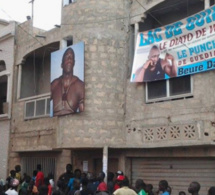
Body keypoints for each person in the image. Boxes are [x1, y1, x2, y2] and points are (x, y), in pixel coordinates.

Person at [51, 47, 84, 116]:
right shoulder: (54, 84)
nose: (69, 59)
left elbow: (83, 115)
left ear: (74, 63)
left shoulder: (80, 86)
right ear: (61, 64)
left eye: (71, 57)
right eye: (67, 57)